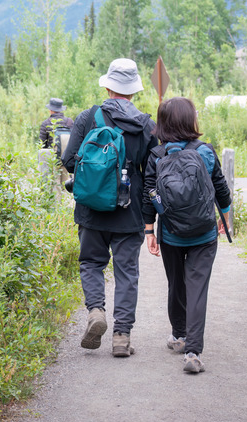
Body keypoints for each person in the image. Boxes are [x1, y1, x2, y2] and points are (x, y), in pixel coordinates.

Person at [62, 59, 158, 357]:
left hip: (91, 209)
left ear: (107, 86)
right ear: (134, 91)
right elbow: (153, 169)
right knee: (127, 272)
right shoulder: (145, 124)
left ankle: (95, 312)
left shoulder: (88, 117)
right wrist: (149, 216)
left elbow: (68, 162)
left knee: (91, 263)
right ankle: (121, 337)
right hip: (129, 213)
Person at [142, 97, 232, 373]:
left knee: (176, 284)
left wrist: (149, 231)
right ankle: (193, 352)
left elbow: (148, 194)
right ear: (190, 120)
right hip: (204, 233)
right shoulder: (205, 151)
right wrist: (224, 218)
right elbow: (221, 188)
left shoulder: (157, 156)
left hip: (171, 233)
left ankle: (179, 335)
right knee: (197, 288)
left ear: (163, 122)